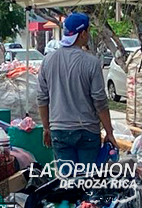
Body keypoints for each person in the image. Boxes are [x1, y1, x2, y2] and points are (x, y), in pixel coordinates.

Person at [38, 13, 117, 164]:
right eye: (88, 31)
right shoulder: (91, 62)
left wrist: (46, 128)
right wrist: (109, 131)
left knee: (68, 183)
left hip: (59, 132)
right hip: (87, 132)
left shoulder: (48, 61)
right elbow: (99, 102)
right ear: (82, 34)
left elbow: (42, 98)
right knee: (88, 181)